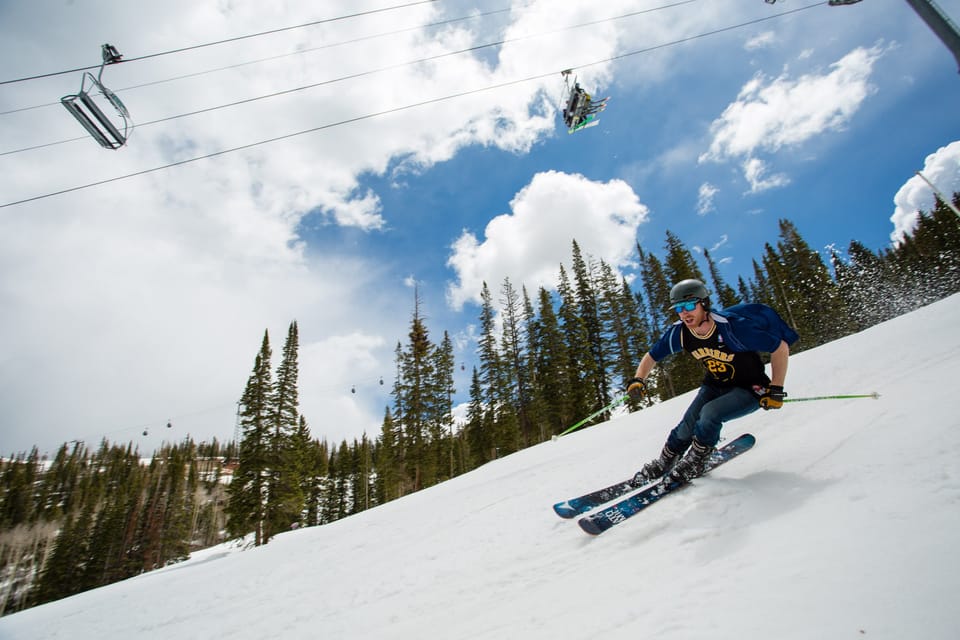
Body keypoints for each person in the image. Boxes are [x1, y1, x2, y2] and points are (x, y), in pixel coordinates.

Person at [626, 278, 799, 485]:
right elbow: (652, 356)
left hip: (750, 388)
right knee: (686, 426)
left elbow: (779, 347)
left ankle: (697, 459)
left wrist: (776, 389)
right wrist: (638, 379)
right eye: (679, 308)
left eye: (690, 306)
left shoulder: (732, 328)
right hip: (714, 385)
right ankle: (665, 462)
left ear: (704, 304)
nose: (684, 313)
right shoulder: (680, 333)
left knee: (710, 414)